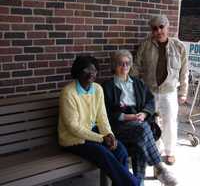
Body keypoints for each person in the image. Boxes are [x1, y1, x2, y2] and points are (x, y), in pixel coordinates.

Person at [58, 55, 140, 186]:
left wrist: (109, 135)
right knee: (103, 153)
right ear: (78, 72)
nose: (91, 74)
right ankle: (133, 184)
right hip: (73, 140)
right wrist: (102, 138)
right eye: (86, 70)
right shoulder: (68, 93)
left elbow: (102, 117)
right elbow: (73, 127)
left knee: (121, 150)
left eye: (94, 70)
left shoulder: (97, 89)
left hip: (91, 134)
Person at [102, 50, 178, 186]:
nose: (124, 66)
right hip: (119, 126)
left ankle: (138, 182)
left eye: (127, 63)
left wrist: (144, 113)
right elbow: (104, 112)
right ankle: (159, 167)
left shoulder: (137, 83)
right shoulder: (107, 87)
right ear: (114, 65)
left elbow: (150, 101)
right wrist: (126, 117)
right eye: (120, 63)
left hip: (139, 121)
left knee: (140, 141)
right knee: (143, 130)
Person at [131, 15, 189, 165]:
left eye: (161, 27)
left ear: (167, 27)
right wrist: (132, 87)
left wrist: (183, 92)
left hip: (169, 91)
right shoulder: (145, 45)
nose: (158, 31)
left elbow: (184, 72)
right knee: (152, 122)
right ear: (152, 30)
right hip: (149, 91)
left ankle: (170, 152)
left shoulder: (178, 46)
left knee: (169, 121)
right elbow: (136, 66)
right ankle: (155, 151)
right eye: (155, 28)